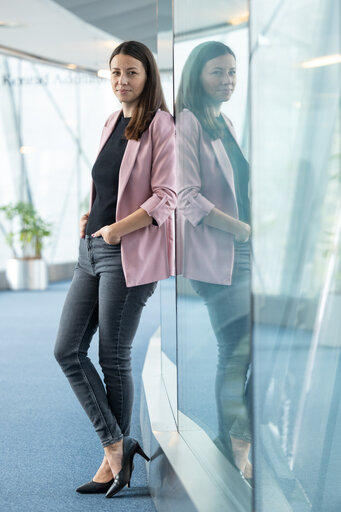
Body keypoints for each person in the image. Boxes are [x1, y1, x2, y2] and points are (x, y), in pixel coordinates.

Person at [54, 40, 176, 498]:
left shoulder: (161, 125)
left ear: (148, 77)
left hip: (127, 251)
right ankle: (117, 447)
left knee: (113, 356)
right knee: (66, 350)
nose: (122, 81)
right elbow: (109, 183)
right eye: (115, 73)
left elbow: (166, 196)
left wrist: (115, 230)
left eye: (132, 73)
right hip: (92, 248)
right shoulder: (112, 121)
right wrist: (92, 219)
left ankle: (113, 461)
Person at [176, 41, 252, 481]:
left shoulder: (222, 120)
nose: (227, 81)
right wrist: (240, 230)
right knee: (236, 352)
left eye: (232, 73)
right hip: (222, 254)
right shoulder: (187, 122)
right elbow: (187, 199)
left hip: (245, 251)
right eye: (217, 73)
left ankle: (235, 438)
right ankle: (232, 440)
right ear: (197, 76)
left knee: (249, 350)